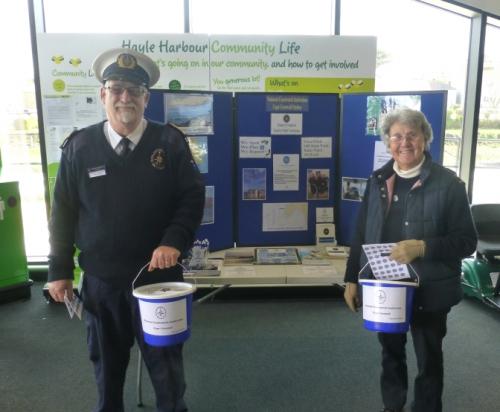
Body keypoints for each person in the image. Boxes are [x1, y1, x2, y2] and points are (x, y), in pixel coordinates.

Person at [47, 47, 205, 412]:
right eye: (116, 88)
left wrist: (173, 241)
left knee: (167, 369)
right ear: (103, 95)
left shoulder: (170, 143)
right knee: (107, 369)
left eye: (134, 90)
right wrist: (59, 271)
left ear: (146, 98)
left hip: (159, 281)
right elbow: (63, 213)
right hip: (102, 282)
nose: (125, 98)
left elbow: (191, 200)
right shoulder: (79, 147)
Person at [343, 108, 477, 412]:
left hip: (430, 291)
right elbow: (361, 234)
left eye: (412, 135)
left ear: (425, 139)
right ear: (388, 142)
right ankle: (393, 407)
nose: (404, 142)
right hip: (386, 288)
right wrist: (352, 279)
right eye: (397, 136)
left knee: (429, 361)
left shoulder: (449, 184)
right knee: (390, 355)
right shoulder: (377, 180)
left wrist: (423, 247)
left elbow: (467, 242)